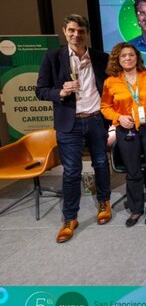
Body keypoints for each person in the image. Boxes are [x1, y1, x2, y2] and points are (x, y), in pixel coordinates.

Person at [36, 14, 112, 243]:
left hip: (96, 119)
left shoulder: (100, 58)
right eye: (71, 30)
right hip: (69, 123)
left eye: (80, 31)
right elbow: (40, 90)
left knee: (101, 163)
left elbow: (109, 87)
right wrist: (60, 92)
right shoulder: (52, 58)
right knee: (71, 171)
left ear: (87, 33)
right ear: (64, 31)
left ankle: (104, 202)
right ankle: (70, 218)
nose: (76, 35)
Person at [100, 42, 146, 227]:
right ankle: (136, 209)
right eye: (123, 56)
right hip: (125, 128)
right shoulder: (111, 82)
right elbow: (105, 107)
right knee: (133, 170)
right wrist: (118, 117)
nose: (127, 58)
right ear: (117, 59)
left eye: (131, 55)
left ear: (137, 57)